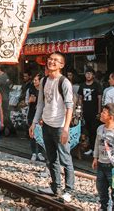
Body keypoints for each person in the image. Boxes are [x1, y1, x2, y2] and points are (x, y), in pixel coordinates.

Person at [29, 52, 75, 202]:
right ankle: (56, 187)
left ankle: (69, 190)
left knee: (65, 159)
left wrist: (66, 129)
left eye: (56, 60)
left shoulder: (64, 82)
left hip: (60, 126)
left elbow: (69, 107)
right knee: (51, 158)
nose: (52, 62)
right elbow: (41, 103)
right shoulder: (43, 81)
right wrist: (34, 122)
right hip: (46, 124)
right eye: (50, 59)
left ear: (62, 65)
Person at [92, 103, 114, 211]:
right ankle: (104, 208)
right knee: (102, 190)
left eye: (104, 112)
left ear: (111, 117)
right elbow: (97, 143)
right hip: (101, 165)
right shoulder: (100, 129)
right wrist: (95, 157)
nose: (101, 114)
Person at [78, 67, 103, 156]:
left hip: (94, 112)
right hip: (85, 111)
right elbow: (80, 98)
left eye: (90, 73)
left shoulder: (97, 85)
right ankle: (89, 148)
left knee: (94, 131)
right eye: (86, 73)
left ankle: (94, 149)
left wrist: (99, 112)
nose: (88, 75)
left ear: (93, 75)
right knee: (86, 131)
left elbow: (99, 99)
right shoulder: (82, 85)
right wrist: (80, 110)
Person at [25, 73, 45, 161]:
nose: (34, 81)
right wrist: (29, 101)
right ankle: (33, 153)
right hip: (32, 114)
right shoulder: (30, 90)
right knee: (32, 134)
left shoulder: (44, 90)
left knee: (41, 135)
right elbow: (25, 102)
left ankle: (40, 152)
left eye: (36, 80)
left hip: (42, 115)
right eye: (34, 80)